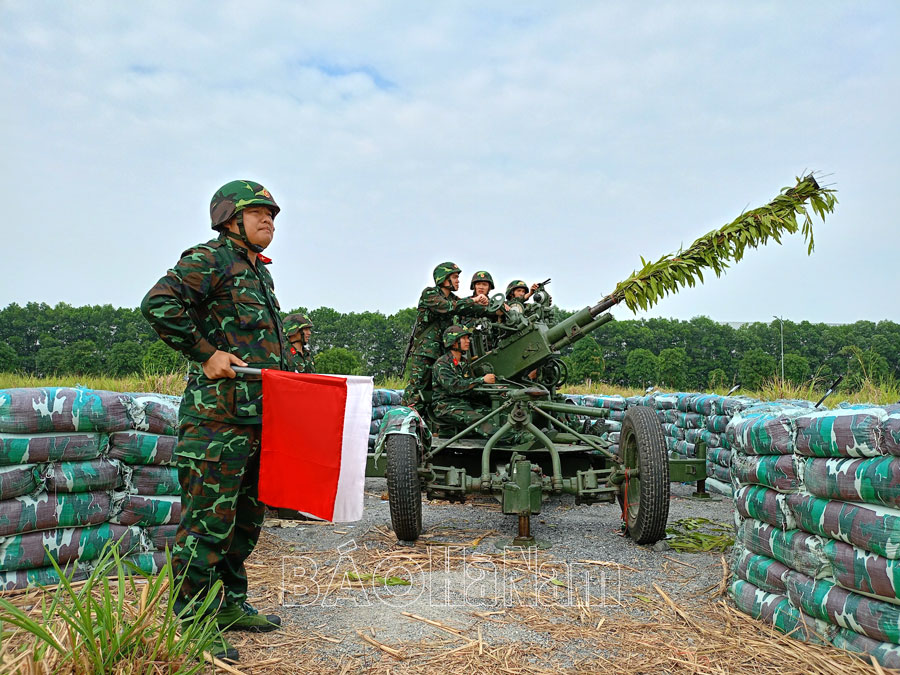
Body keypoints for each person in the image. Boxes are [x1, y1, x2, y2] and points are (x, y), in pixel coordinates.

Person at [141, 179, 286, 662]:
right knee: (207, 525)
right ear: (229, 217)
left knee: (245, 521)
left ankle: (230, 605)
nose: (269, 219)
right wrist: (205, 353)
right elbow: (159, 303)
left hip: (255, 420)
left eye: (273, 213)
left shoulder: (257, 273)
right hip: (216, 422)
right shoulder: (211, 259)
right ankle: (190, 620)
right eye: (258, 211)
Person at [401, 262, 490, 410]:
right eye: (454, 277)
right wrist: (474, 300)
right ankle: (404, 421)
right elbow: (447, 307)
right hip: (426, 351)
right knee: (417, 389)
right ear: (443, 279)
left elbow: (467, 308)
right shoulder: (430, 294)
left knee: (439, 390)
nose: (458, 281)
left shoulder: (454, 298)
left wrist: (487, 304)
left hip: (443, 353)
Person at [431, 325, 497, 436]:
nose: (468, 341)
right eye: (464, 338)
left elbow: (471, 386)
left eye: (468, 338)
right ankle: (514, 438)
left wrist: (494, 390)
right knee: (479, 420)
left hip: (464, 403)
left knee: (494, 414)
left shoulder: (464, 362)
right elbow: (454, 387)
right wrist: (482, 380)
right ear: (454, 342)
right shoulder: (442, 364)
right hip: (446, 405)